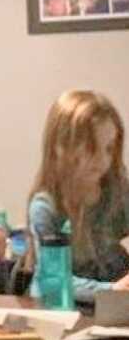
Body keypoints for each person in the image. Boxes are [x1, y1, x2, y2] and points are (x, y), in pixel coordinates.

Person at [27, 90, 129, 306]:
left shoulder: (118, 191)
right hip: (66, 310)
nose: (103, 159)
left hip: (115, 311)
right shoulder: (46, 207)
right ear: (60, 146)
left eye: (109, 149)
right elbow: (53, 280)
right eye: (92, 147)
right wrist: (111, 290)